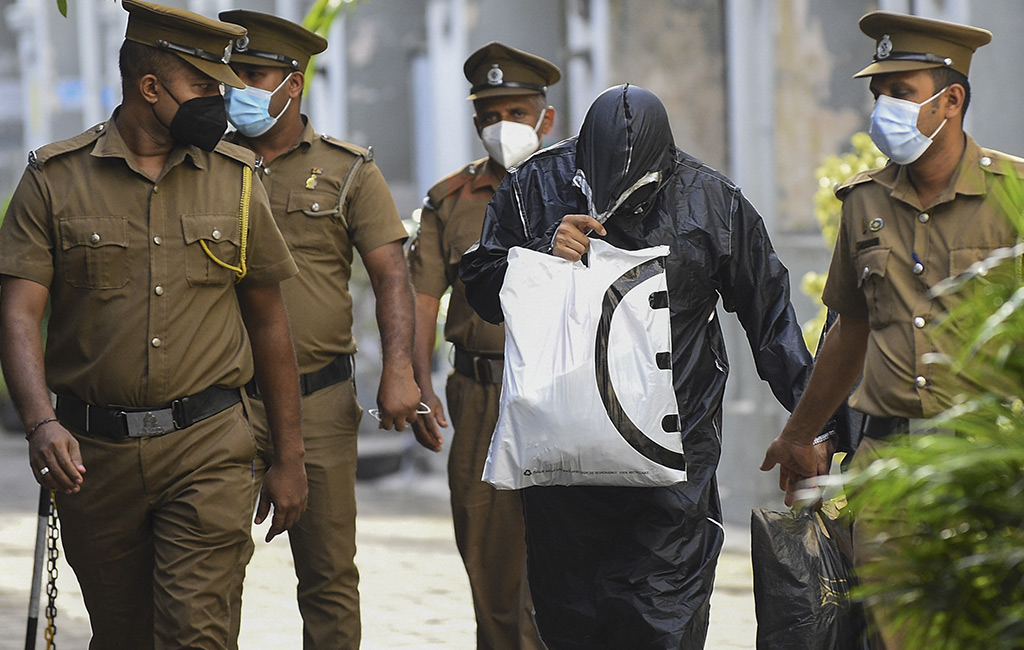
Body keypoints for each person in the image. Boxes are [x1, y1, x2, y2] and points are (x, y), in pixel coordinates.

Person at [459, 83, 814, 649]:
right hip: (563, 456)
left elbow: (770, 319)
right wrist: (540, 257)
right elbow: (480, 289)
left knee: (661, 615)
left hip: (672, 459)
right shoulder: (534, 186)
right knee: (571, 614)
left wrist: (816, 423)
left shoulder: (712, 202)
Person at [0, 1, 307, 648]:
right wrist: (39, 422)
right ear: (149, 88)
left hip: (209, 447)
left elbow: (269, 323)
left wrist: (291, 456)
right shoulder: (54, 182)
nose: (219, 104)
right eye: (203, 88)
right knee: (122, 634)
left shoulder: (237, 181)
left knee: (196, 632)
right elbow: (18, 314)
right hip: (94, 457)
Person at [758, 11, 1023, 650]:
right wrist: (800, 434)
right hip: (891, 462)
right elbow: (848, 331)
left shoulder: (1013, 194)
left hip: (987, 459)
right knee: (893, 633)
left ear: (950, 99)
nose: (883, 108)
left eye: (901, 93)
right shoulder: (864, 205)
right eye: (878, 93)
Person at [218, 10, 422, 649]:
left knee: (328, 576)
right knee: (208, 577)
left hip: (319, 401)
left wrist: (400, 369)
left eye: (254, 75)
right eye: (235, 75)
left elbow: (392, 275)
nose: (238, 89)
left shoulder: (348, 171)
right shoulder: (205, 166)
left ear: (293, 83)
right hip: (220, 405)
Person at [407, 42, 558, 650]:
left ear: (545, 119)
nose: (505, 127)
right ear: (477, 123)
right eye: (492, 115)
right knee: (488, 551)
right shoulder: (451, 201)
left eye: (518, 112)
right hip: (479, 394)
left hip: (560, 394)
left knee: (563, 553)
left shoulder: (582, 190)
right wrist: (417, 381)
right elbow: (421, 298)